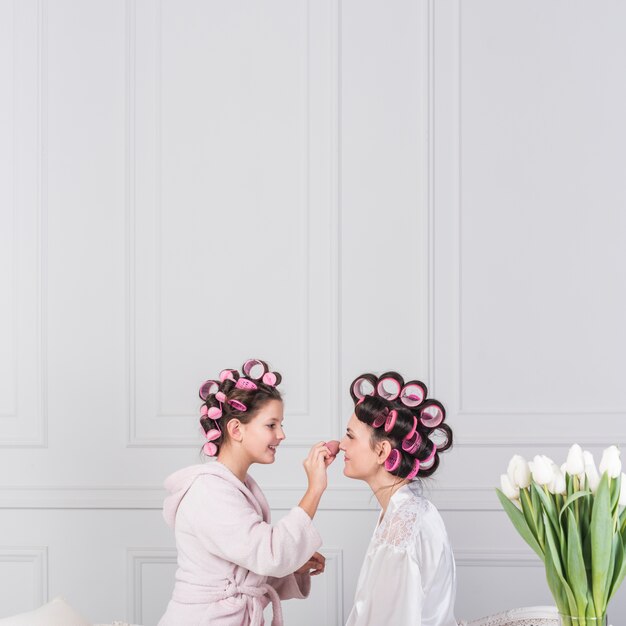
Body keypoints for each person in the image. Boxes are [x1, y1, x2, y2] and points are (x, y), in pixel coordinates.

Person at [158, 359, 333, 626]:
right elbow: (269, 553)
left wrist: (293, 567)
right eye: (271, 425)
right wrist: (315, 489)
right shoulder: (209, 491)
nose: (282, 434)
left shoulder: (236, 487)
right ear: (236, 429)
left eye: (281, 424)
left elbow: (246, 564)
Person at [340, 371, 457, 626]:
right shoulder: (410, 511)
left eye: (350, 436)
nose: (340, 445)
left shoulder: (401, 528)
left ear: (382, 451)